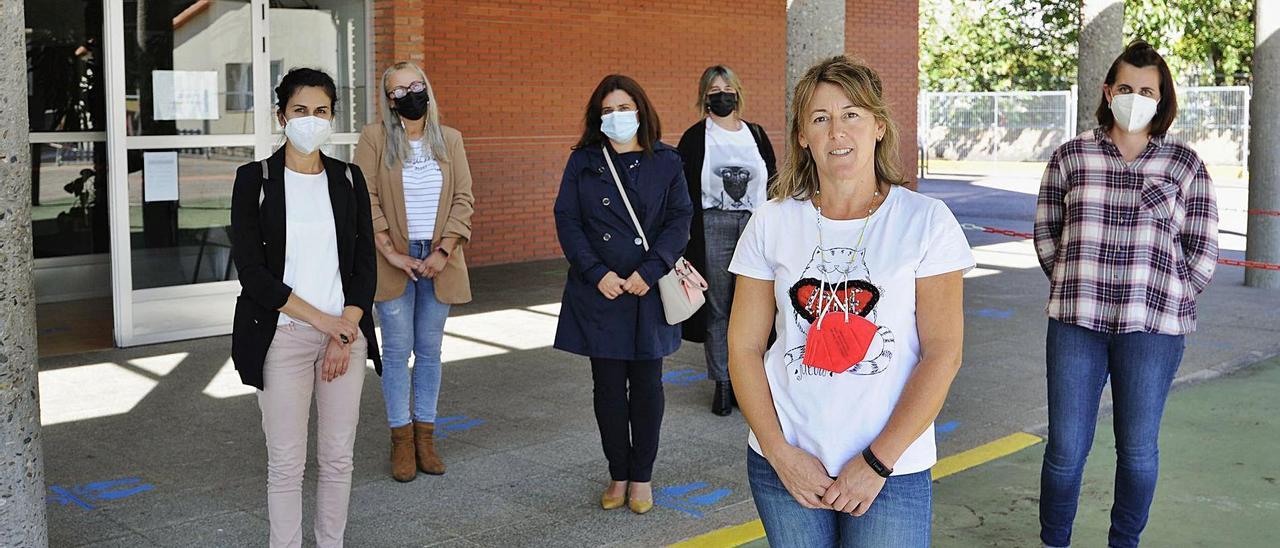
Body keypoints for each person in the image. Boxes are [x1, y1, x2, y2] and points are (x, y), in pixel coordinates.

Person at [726, 55, 974, 546]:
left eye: (852, 115)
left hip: (892, 471)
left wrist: (878, 461)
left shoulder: (926, 220)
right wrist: (779, 454)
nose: (837, 131)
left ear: (878, 126)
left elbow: (944, 352)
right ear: (802, 135)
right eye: (820, 118)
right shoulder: (772, 221)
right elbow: (743, 348)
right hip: (787, 467)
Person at [1033, 40, 1218, 548]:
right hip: (1077, 324)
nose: (1135, 97)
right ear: (1108, 91)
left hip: (1153, 330)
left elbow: (1203, 248)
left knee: (1137, 451)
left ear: (1161, 100)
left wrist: (1170, 294)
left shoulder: (1184, 164)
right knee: (1066, 451)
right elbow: (1048, 233)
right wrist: (1075, 281)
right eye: (1126, 88)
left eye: (1147, 90)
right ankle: (1055, 541)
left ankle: (1124, 542)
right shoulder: (1071, 157)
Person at [230, 67, 379, 548]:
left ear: (333, 117)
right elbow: (253, 274)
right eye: (300, 110)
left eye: (321, 111)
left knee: (338, 458)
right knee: (286, 463)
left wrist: (346, 328)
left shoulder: (349, 178)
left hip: (346, 336)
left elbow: (364, 266)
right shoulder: (254, 179)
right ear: (281, 116)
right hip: (284, 337)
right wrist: (327, 325)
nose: (310, 120)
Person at [552, 74, 693, 515]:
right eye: (607, 111)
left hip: (647, 291)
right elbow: (567, 220)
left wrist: (650, 271)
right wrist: (597, 272)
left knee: (648, 386)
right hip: (602, 293)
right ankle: (618, 472)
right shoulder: (584, 162)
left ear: (641, 111)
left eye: (624, 108)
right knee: (608, 389)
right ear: (598, 117)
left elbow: (679, 219)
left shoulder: (667, 161)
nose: (616, 118)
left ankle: (643, 476)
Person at [354, 61, 474, 482]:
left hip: (439, 259)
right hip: (395, 261)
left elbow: (463, 199)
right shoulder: (374, 138)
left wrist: (444, 250)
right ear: (388, 100)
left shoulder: (451, 140)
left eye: (415, 86)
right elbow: (362, 196)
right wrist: (388, 250)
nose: (409, 95)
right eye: (398, 90)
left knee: (429, 352)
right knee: (395, 351)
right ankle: (401, 441)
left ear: (428, 88)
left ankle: (426, 437)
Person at [676, 65, 777, 417]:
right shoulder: (694, 138)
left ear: (738, 92)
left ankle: (751, 380)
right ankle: (723, 382)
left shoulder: (757, 135)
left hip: (755, 225)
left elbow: (774, 184)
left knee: (754, 305)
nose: (722, 94)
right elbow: (681, 189)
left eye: (728, 87)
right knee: (719, 307)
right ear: (704, 96)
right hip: (712, 225)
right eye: (714, 89)